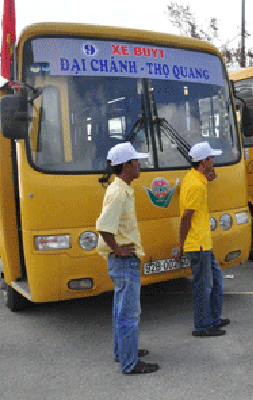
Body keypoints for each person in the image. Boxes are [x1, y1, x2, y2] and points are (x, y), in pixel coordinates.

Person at [95, 142, 160, 375]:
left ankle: (122, 352)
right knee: (129, 314)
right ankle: (130, 363)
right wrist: (119, 249)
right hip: (124, 261)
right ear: (126, 166)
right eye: (136, 162)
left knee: (121, 311)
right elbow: (103, 226)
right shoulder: (119, 193)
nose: (139, 166)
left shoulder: (120, 189)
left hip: (123, 261)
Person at [175, 141, 230, 337]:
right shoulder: (196, 185)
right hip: (197, 244)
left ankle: (213, 319)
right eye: (211, 158)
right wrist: (181, 245)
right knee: (202, 286)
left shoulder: (193, 178)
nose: (214, 161)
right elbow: (186, 217)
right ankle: (202, 325)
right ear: (203, 162)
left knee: (215, 280)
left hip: (203, 242)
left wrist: (210, 177)